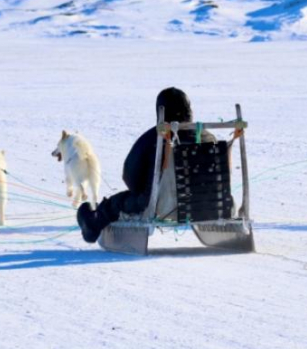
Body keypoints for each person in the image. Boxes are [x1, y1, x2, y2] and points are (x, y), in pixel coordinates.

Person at [76, 87, 215, 244]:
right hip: (209, 203)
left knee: (117, 203)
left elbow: (130, 177)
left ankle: (92, 223)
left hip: (159, 206)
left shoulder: (153, 137)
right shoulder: (207, 136)